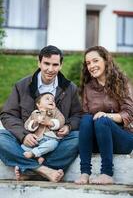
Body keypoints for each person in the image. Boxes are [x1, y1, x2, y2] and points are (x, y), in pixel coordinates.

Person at [0, 45, 81, 182]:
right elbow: (7, 115)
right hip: (26, 142)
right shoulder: (22, 85)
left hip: (53, 141)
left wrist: (68, 126)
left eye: (55, 65)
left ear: (61, 65)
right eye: (46, 63)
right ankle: (44, 170)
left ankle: (30, 170)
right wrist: (24, 135)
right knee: (1, 137)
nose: (50, 69)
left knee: (78, 137)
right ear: (39, 63)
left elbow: (78, 115)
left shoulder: (70, 88)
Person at [75, 46, 133, 185]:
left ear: (106, 61)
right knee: (86, 119)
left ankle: (107, 173)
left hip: (122, 139)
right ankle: (85, 172)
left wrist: (107, 116)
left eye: (95, 61)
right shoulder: (88, 87)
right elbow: (85, 116)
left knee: (102, 120)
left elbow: (129, 114)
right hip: (99, 140)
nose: (91, 66)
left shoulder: (122, 82)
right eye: (88, 63)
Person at [21, 92, 65, 164]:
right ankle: (39, 155)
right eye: (47, 99)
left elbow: (61, 120)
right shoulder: (35, 113)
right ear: (39, 105)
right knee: (23, 146)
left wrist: (50, 123)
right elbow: (27, 125)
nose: (51, 101)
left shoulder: (55, 112)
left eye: (53, 100)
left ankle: (34, 153)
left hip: (49, 138)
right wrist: (35, 122)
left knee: (53, 144)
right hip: (36, 139)